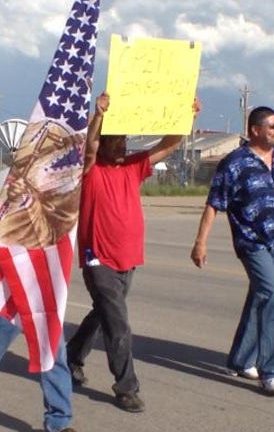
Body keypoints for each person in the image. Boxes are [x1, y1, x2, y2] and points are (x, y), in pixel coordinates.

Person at [65, 91, 201, 413]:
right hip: (97, 258)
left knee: (104, 314)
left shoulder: (132, 167)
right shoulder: (89, 170)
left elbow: (166, 146)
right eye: (117, 140)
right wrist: (98, 115)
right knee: (118, 322)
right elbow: (90, 147)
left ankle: (71, 356)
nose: (122, 145)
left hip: (128, 258)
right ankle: (126, 387)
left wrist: (187, 118)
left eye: (125, 140)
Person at [190, 106, 274, 396]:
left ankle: (240, 360)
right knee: (271, 297)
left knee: (260, 299)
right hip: (252, 242)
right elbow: (215, 203)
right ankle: (272, 371)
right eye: (273, 126)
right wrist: (200, 242)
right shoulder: (235, 163)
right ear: (255, 130)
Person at [0, 163, 92, 432]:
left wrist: (99, 121)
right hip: (10, 280)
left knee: (52, 350)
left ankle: (59, 422)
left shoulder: (63, 180)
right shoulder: (7, 177)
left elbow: (86, 169)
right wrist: (11, 203)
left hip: (43, 282)